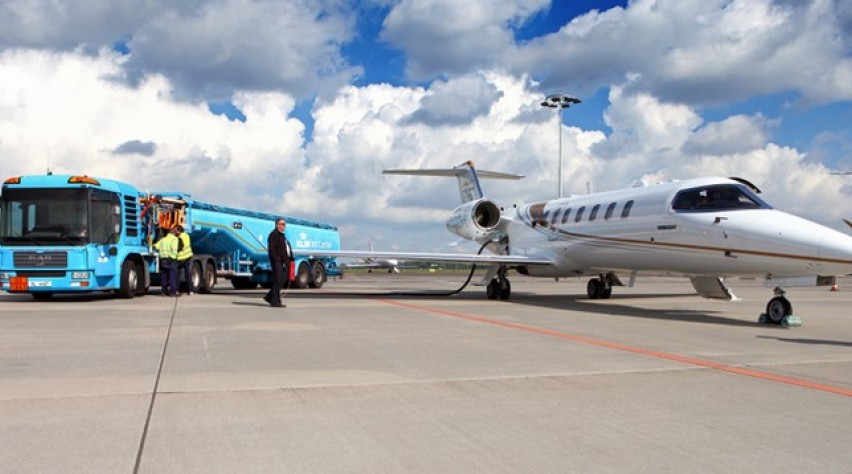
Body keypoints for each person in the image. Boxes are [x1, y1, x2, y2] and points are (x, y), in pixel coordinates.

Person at [264, 218, 292, 307]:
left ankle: (269, 296)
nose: (284, 226)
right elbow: (272, 250)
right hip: (278, 262)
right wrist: (277, 259)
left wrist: (290, 258)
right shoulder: (274, 235)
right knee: (278, 280)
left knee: (282, 280)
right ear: (277, 225)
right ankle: (275, 301)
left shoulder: (282, 236)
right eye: (282, 224)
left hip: (284, 261)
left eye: (284, 224)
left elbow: (285, 249)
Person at [154, 226, 179, 297]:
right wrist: (174, 257)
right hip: (171, 259)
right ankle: (172, 292)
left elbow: (155, 246)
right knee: (172, 276)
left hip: (163, 259)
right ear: (173, 233)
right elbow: (174, 250)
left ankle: (163, 291)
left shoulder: (163, 240)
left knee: (164, 276)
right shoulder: (174, 239)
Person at [174, 225, 195, 295]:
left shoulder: (179, 238)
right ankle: (190, 290)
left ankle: (176, 289)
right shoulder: (186, 235)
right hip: (188, 256)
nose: (174, 232)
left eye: (175, 230)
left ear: (179, 231)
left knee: (177, 275)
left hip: (181, 258)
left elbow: (179, 247)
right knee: (188, 275)